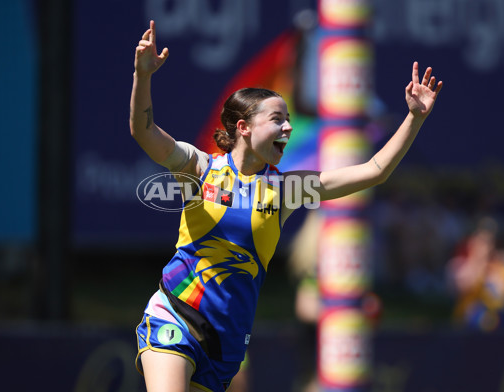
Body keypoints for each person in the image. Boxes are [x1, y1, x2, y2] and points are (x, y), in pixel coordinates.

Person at [130, 20, 443, 392]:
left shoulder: (286, 190)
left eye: (289, 120)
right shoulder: (200, 167)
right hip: (176, 313)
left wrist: (414, 118)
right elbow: (144, 131)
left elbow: (374, 171)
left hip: (227, 340)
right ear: (243, 127)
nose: (288, 128)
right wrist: (142, 75)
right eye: (277, 119)